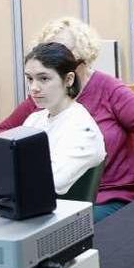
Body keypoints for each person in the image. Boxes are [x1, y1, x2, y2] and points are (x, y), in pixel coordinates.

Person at [0, 17, 134, 222]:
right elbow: (4, 132)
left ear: (82, 61)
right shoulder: (44, 97)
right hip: (59, 198)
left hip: (112, 195)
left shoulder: (108, 89)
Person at [20, 42, 106, 196]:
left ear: (69, 80)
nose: (34, 87)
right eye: (30, 79)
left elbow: (52, 182)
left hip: (57, 214)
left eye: (44, 78)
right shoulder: (34, 120)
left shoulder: (82, 129)